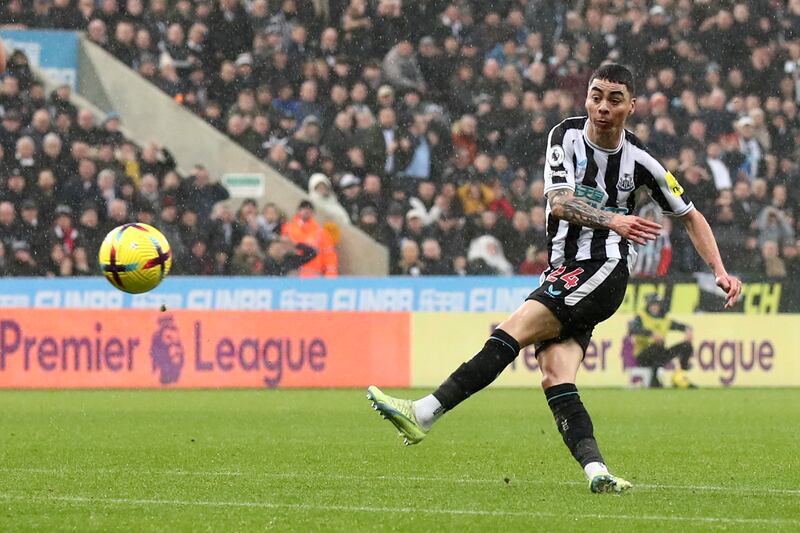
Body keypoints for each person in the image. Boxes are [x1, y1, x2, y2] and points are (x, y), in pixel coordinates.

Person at [366, 64, 742, 494]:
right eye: (595, 96)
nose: (602, 107)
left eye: (614, 99)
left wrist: (719, 270)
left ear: (632, 107)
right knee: (555, 373)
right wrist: (614, 219)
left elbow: (691, 215)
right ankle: (597, 472)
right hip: (565, 268)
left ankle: (423, 413)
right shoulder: (564, 137)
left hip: (603, 269)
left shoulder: (641, 163)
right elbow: (560, 203)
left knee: (513, 330)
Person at [628, 294, 694, 388]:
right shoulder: (641, 317)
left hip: (660, 353)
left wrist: (688, 330)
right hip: (643, 355)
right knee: (657, 346)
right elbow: (632, 329)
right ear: (648, 305)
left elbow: (680, 326)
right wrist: (650, 333)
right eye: (653, 304)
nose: (655, 307)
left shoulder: (664, 319)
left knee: (687, 346)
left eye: (657, 304)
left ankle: (682, 373)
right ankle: (655, 381)